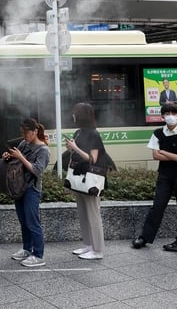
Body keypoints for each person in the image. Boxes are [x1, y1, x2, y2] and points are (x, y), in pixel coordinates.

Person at [132, 104, 177, 252]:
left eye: (174, 113)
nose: (170, 116)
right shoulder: (158, 133)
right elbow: (155, 155)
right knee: (157, 206)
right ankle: (144, 237)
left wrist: (165, 152)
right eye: (167, 113)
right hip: (165, 176)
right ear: (162, 117)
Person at [3, 118, 50, 267]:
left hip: (32, 189)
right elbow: (17, 163)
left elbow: (37, 170)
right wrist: (8, 157)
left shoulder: (43, 150)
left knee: (33, 222)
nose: (24, 136)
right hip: (19, 187)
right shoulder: (24, 144)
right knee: (24, 221)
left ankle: (38, 254)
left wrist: (21, 157)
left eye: (26, 133)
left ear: (35, 131)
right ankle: (26, 249)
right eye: (22, 133)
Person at [64, 102, 105, 260]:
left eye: (75, 113)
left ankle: (98, 250)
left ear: (81, 115)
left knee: (93, 215)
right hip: (79, 178)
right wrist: (70, 148)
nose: (73, 115)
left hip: (90, 179)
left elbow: (92, 159)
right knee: (82, 213)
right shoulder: (78, 132)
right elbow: (75, 152)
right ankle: (88, 245)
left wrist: (76, 148)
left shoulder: (94, 134)